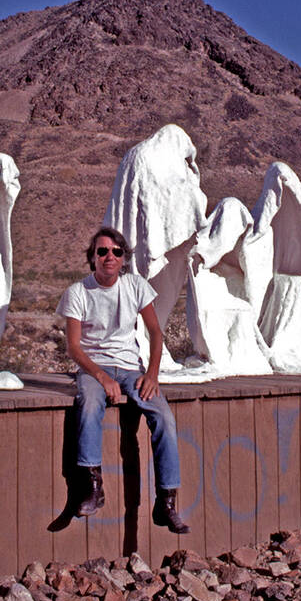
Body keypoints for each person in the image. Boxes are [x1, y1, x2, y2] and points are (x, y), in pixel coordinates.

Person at [56, 227, 190, 533]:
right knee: (89, 405)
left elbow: (155, 332)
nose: (109, 257)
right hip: (93, 368)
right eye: (102, 251)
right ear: (92, 258)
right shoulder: (78, 292)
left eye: (116, 251)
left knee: (163, 417)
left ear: (124, 258)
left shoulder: (135, 286)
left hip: (131, 368)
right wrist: (102, 377)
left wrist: (152, 375)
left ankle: (166, 502)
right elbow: (74, 347)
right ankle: (92, 487)